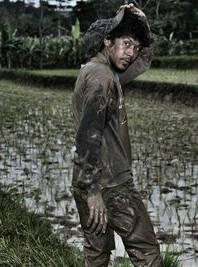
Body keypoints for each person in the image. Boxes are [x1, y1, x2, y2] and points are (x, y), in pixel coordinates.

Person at [71, 3, 162, 266]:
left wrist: (142, 23)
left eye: (134, 46)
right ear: (108, 41)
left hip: (86, 178)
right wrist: (94, 192)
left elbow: (144, 59)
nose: (132, 53)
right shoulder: (103, 78)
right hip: (109, 184)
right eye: (126, 44)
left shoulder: (100, 70)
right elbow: (88, 135)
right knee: (147, 251)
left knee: (96, 253)